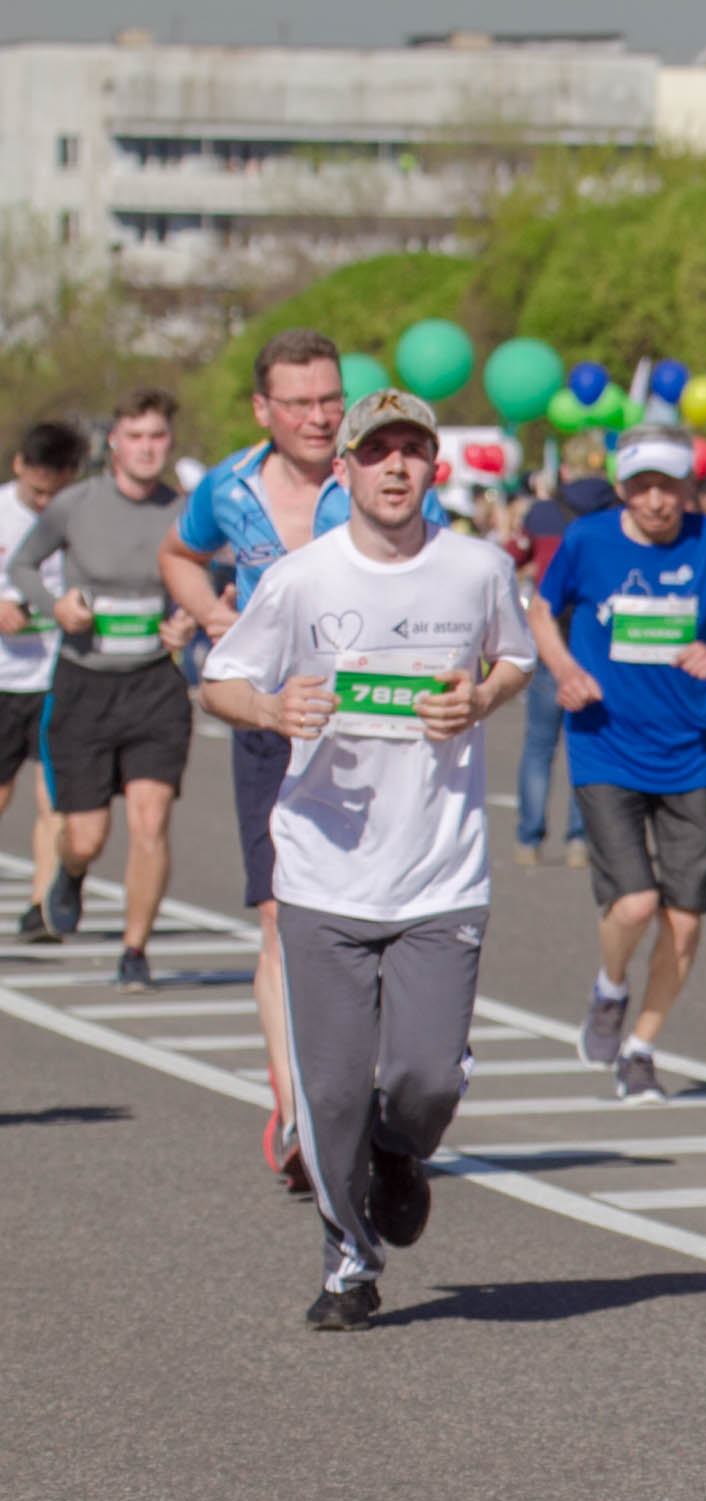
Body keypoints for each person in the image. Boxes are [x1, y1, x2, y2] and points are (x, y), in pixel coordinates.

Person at [194, 390, 536, 1327]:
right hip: (323, 872)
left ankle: (400, 1149)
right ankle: (351, 1261)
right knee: (333, 1094)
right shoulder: (304, 579)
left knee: (423, 1080)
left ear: (434, 468)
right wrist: (270, 709)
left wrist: (479, 700)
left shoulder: (477, 569)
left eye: (412, 451)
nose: (395, 467)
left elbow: (518, 659)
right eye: (375, 450)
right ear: (342, 469)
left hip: (440, 870)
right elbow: (219, 679)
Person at [162, 327, 450, 1187]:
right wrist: (215, 621)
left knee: (370, 920)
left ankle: (361, 1092)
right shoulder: (231, 486)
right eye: (303, 403)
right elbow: (179, 553)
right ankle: (296, 1115)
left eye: (332, 399)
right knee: (281, 919)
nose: (322, 417)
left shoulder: (372, 482)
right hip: (269, 721)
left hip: (372, 731)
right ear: (264, 409)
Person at [532, 424, 706, 1100]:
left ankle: (641, 1049)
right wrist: (564, 668)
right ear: (623, 486)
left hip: (690, 756)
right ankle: (609, 987)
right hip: (604, 743)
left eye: (669, 486)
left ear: (688, 487)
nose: (656, 500)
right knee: (634, 905)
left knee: (683, 920)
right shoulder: (589, 540)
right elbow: (540, 609)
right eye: (643, 485)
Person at [14, 388, 197, 990]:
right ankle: (69, 873)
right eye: (135, 436)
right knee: (87, 834)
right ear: (113, 442)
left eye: (157, 437)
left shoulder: (186, 509)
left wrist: (189, 616)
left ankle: (135, 951)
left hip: (154, 685)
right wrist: (54, 603)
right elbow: (22, 565)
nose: (147, 448)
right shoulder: (74, 504)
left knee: (151, 822)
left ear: (169, 443)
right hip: (84, 683)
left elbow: (213, 576)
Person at [0, 419, 86, 942]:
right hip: (4, 678)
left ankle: (40, 907)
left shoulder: (77, 517)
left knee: (51, 796)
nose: (43, 502)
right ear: (18, 467)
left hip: (57, 674)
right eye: (35, 491)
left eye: (53, 493)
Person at [513, 444, 618, 866]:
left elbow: (511, 556)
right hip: (598, 641)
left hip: (549, 633)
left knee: (539, 744)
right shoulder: (616, 515)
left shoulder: (543, 514)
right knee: (586, 742)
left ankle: (529, 838)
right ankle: (579, 838)